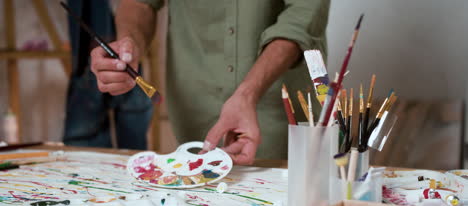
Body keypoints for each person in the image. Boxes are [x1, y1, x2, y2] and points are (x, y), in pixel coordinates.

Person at [90, 0, 330, 164]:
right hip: (196, 116)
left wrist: (247, 94)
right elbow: (140, 2)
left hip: (289, 117)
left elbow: (302, 18)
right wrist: (129, 44)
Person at [64, 0, 153, 150]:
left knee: (134, 158)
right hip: (99, 66)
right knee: (86, 156)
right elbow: (141, 4)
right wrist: (130, 41)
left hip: (128, 70)